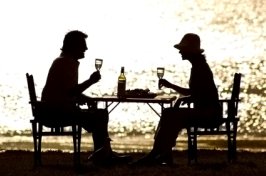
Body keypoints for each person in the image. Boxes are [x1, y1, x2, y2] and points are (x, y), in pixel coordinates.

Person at [41, 30, 131, 165]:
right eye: (83, 45)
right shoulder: (66, 62)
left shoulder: (65, 60)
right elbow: (70, 92)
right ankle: (104, 155)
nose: (86, 48)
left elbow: (67, 91)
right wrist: (90, 81)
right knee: (99, 115)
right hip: (56, 112)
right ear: (73, 46)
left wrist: (86, 98)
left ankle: (104, 153)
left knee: (100, 113)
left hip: (55, 109)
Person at [132, 33, 222, 166]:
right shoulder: (198, 65)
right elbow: (198, 93)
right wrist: (175, 90)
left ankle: (158, 153)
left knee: (170, 115)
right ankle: (161, 153)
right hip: (205, 111)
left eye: (182, 48)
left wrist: (178, 94)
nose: (180, 51)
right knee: (169, 114)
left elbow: (197, 94)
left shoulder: (200, 68)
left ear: (190, 51)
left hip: (209, 114)